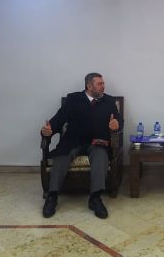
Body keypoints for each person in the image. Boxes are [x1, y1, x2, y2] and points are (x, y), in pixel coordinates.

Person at [41, 72, 123, 219]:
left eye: (103, 83)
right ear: (89, 86)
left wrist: (117, 123)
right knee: (61, 156)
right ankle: (52, 196)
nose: (103, 86)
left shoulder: (109, 101)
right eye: (100, 84)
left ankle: (95, 198)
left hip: (97, 141)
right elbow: (58, 120)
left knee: (101, 156)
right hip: (73, 141)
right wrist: (47, 131)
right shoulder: (73, 99)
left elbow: (119, 119)